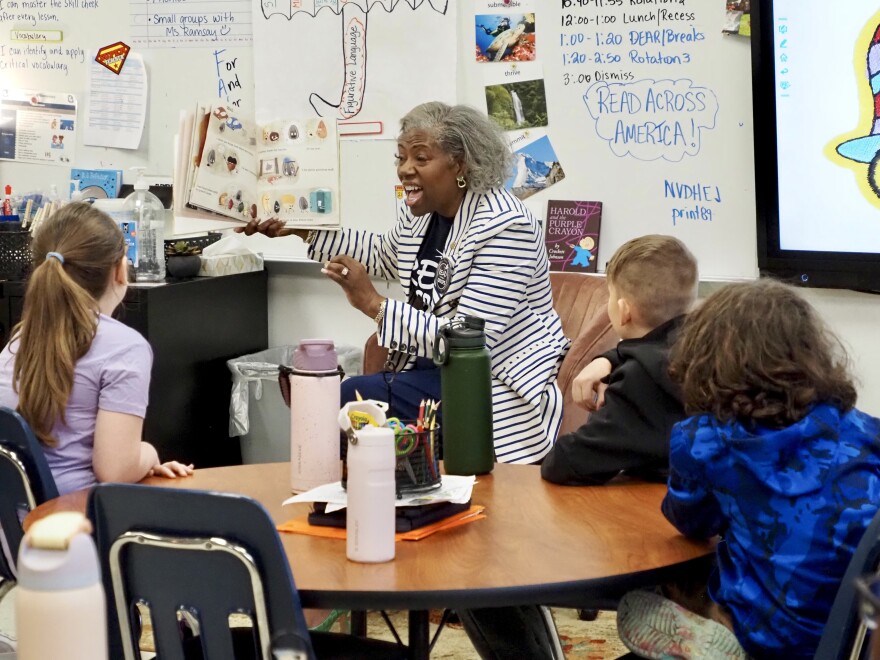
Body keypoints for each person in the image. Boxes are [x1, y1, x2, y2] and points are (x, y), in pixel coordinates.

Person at [237, 101, 569, 465]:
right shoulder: (424, 215)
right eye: (400, 157)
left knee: (347, 399)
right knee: (340, 401)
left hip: (486, 387)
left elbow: (468, 340)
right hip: (429, 374)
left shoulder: (507, 227)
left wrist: (374, 305)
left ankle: (347, 500)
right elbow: (380, 253)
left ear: (459, 164)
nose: (405, 170)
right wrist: (300, 227)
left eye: (421, 158)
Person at [616, 279, 880, 660]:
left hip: (765, 638)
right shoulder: (867, 433)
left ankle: (711, 629)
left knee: (667, 587)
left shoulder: (706, 442)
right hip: (851, 637)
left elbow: (690, 522)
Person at [0, 203, 192, 495]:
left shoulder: (19, 341)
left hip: (16, 526)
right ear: (119, 272)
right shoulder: (124, 348)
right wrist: (148, 454)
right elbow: (114, 470)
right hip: (78, 524)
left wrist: (134, 464)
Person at [541, 234, 698, 485]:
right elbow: (654, 346)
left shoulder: (639, 380)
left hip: (659, 507)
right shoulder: (707, 346)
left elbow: (565, 463)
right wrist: (610, 360)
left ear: (624, 311)